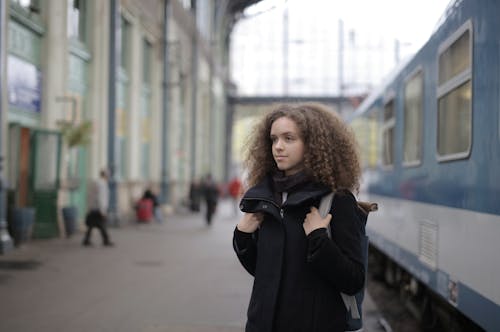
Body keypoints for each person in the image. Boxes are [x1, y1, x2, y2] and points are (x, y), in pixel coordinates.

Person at [232, 103, 365, 332]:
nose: (278, 147)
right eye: (274, 139)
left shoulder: (336, 201)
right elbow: (264, 273)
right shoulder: (266, 199)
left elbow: (353, 280)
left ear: (312, 145)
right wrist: (243, 237)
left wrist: (319, 239)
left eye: (289, 138)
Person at [83, 169, 114, 247]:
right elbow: (101, 198)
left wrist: (89, 207)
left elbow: (89, 196)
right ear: (105, 175)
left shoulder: (95, 182)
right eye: (108, 175)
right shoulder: (102, 184)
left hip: (93, 208)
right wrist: (102, 209)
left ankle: (86, 240)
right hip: (98, 208)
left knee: (92, 225)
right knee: (102, 225)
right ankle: (106, 240)